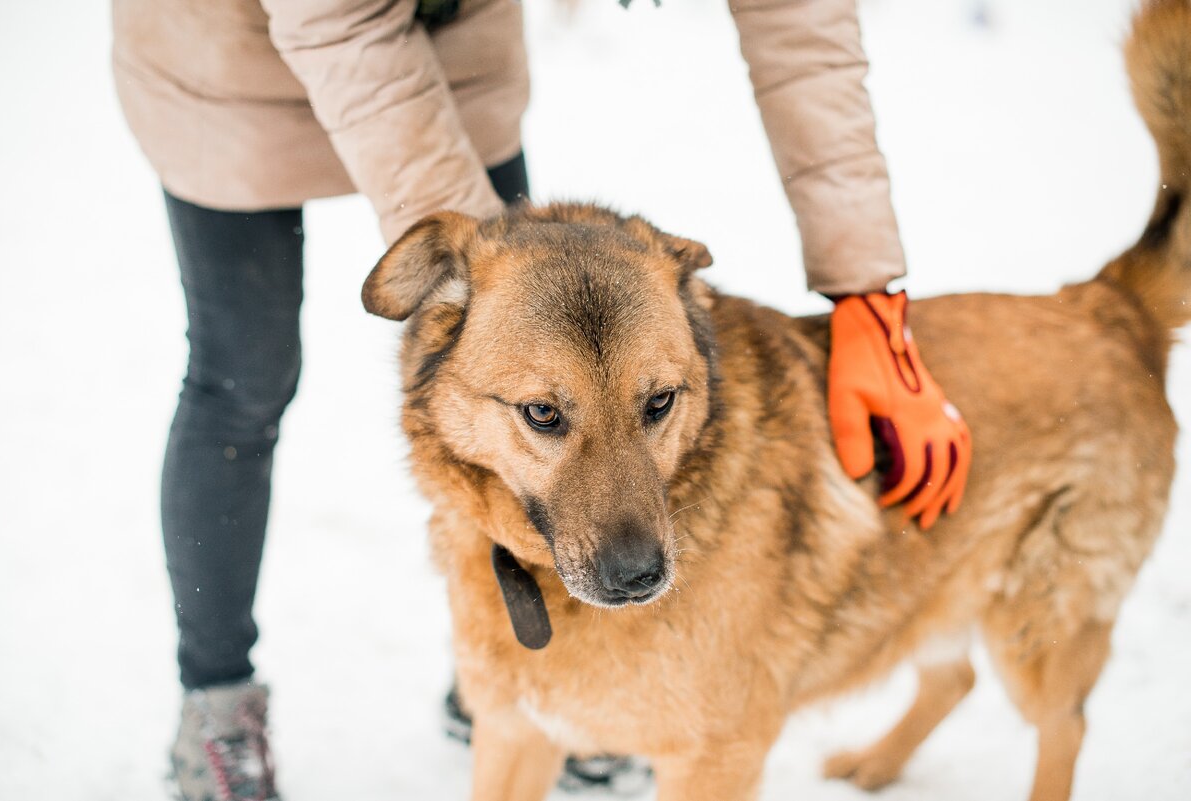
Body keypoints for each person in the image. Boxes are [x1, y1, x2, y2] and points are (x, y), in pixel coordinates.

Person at [111, 0, 971, 798]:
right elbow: (342, 26)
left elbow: (801, 28)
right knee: (243, 376)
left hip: (452, 53)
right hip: (228, 69)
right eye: (546, 418)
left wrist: (868, 294)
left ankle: (527, 681)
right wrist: (480, 274)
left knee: (567, 342)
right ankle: (217, 699)